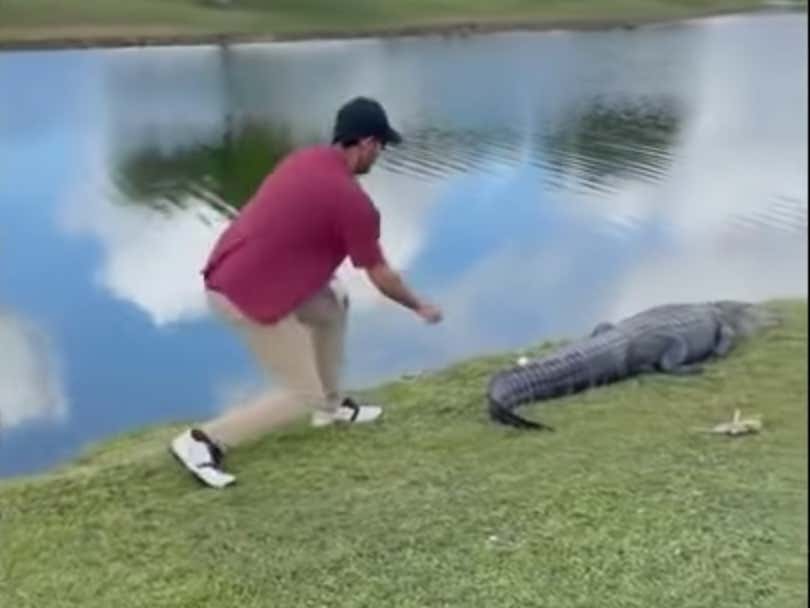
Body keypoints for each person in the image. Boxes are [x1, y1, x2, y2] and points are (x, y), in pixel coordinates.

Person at [170, 97, 443, 488]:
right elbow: (380, 275)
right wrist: (419, 306)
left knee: (332, 305)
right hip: (242, 295)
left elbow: (290, 228)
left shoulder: (304, 160)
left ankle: (331, 406)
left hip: (234, 271)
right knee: (300, 395)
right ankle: (201, 441)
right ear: (366, 143)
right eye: (381, 145)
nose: (379, 154)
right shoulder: (353, 203)